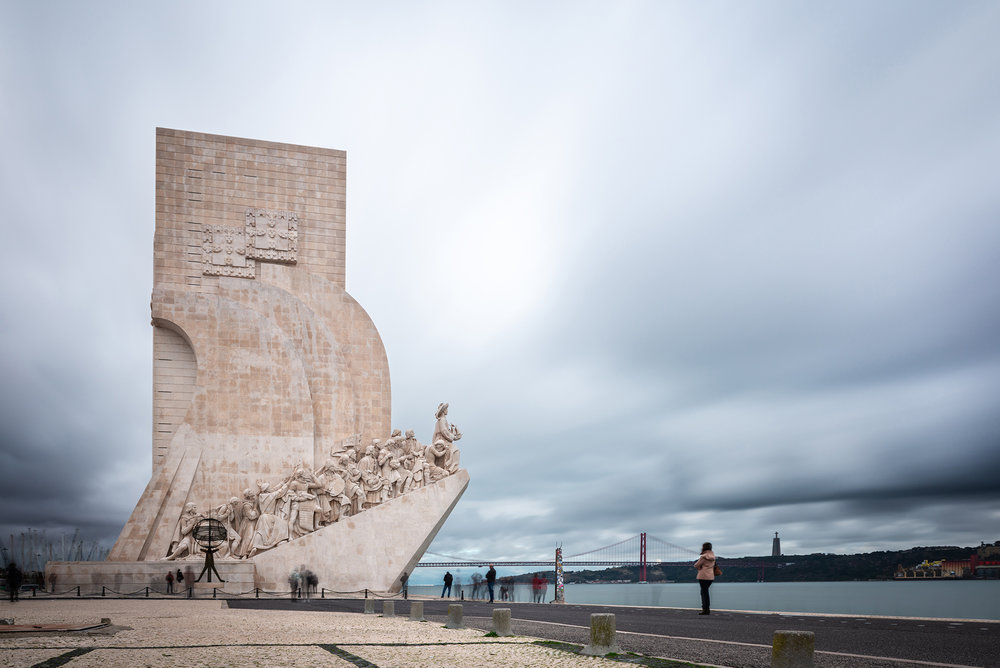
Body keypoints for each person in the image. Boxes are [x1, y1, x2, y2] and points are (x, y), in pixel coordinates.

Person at [694, 541, 716, 615]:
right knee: (706, 592)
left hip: (703, 576)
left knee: (703, 593)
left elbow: (696, 565)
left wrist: (700, 566)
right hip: (710, 577)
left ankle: (705, 609)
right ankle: (707, 609)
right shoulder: (713, 556)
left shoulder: (703, 557)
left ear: (704, 548)